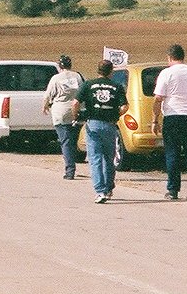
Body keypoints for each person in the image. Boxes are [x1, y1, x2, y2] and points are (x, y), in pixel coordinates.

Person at [152, 43, 187, 199]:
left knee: (172, 153)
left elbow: (158, 98)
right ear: (183, 57)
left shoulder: (166, 73)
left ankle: (173, 189)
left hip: (172, 117)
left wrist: (155, 120)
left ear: (169, 57)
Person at [74, 60, 126, 203]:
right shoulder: (117, 86)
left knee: (95, 158)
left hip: (93, 124)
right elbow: (125, 107)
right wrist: (115, 115)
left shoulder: (88, 85)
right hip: (110, 125)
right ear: (111, 72)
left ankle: (100, 191)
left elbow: (75, 103)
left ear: (98, 70)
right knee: (109, 158)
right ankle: (109, 188)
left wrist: (76, 115)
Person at [43, 55, 85, 179]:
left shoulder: (56, 78)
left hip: (60, 112)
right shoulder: (77, 76)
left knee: (65, 141)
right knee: (72, 140)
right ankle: (73, 163)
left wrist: (45, 106)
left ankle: (70, 170)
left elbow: (48, 95)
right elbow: (82, 92)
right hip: (75, 110)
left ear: (60, 66)